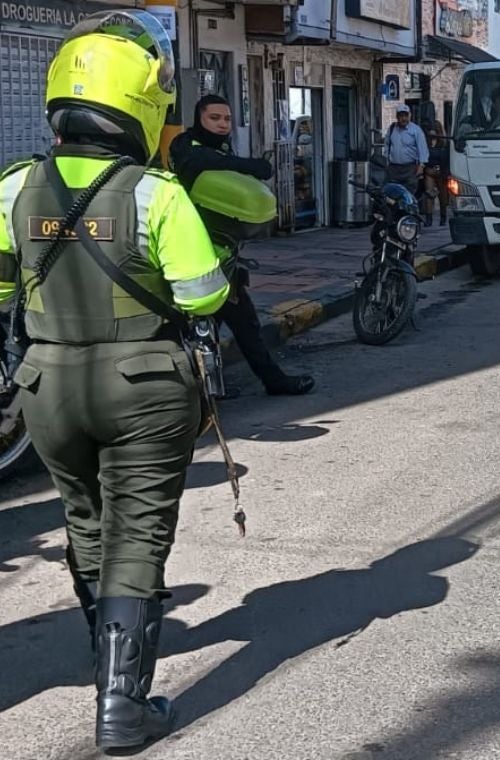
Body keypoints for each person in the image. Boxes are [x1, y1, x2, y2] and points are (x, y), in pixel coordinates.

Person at [0, 10, 230, 749]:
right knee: (138, 536)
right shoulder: (153, 192)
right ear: (140, 100)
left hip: (47, 386)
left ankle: (106, 670)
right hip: (145, 387)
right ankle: (122, 705)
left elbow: (1, 291)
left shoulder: (12, 189)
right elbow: (204, 294)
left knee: (86, 526)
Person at [169, 95, 315, 396]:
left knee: (243, 323)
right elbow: (205, 163)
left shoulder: (221, 148)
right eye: (214, 118)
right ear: (199, 118)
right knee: (189, 329)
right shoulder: (185, 146)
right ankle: (191, 391)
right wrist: (250, 165)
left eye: (226, 119)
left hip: (223, 254)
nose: (222, 124)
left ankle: (265, 382)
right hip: (189, 254)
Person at [384, 104, 427, 196]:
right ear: (397, 116)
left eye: (405, 115)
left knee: (409, 195)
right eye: (401, 115)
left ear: (409, 115)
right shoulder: (392, 129)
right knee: (393, 195)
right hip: (394, 169)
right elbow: (387, 145)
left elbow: (423, 148)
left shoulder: (416, 130)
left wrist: (421, 166)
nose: (403, 118)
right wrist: (386, 161)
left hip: (410, 169)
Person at [422, 112, 450, 227]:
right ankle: (429, 218)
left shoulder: (444, 144)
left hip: (441, 172)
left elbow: (447, 159)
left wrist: (445, 172)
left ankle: (443, 217)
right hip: (429, 171)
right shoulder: (426, 143)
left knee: (442, 196)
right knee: (429, 194)